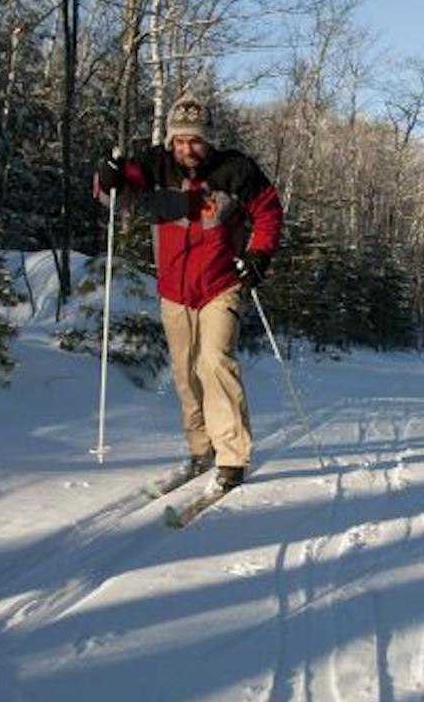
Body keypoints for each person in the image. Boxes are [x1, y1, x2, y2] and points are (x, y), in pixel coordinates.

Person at [93, 95, 282, 490]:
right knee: (185, 372)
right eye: (179, 140)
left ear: (209, 140)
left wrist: (257, 256)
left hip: (221, 284)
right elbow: (114, 196)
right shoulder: (155, 166)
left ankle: (232, 456)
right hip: (174, 290)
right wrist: (107, 177)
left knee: (214, 361)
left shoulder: (236, 170)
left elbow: (268, 211)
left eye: (194, 140)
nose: (186, 148)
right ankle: (201, 448)